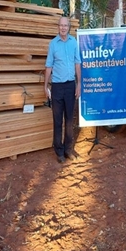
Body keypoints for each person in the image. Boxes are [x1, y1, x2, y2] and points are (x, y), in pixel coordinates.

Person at [44, 16, 81, 163]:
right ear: (58, 27)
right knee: (57, 120)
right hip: (57, 87)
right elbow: (49, 66)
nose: (63, 28)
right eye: (61, 25)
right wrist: (45, 85)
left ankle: (68, 149)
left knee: (69, 120)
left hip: (70, 85)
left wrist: (79, 85)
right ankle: (59, 151)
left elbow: (77, 64)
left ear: (69, 27)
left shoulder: (74, 43)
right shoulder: (53, 44)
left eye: (66, 25)